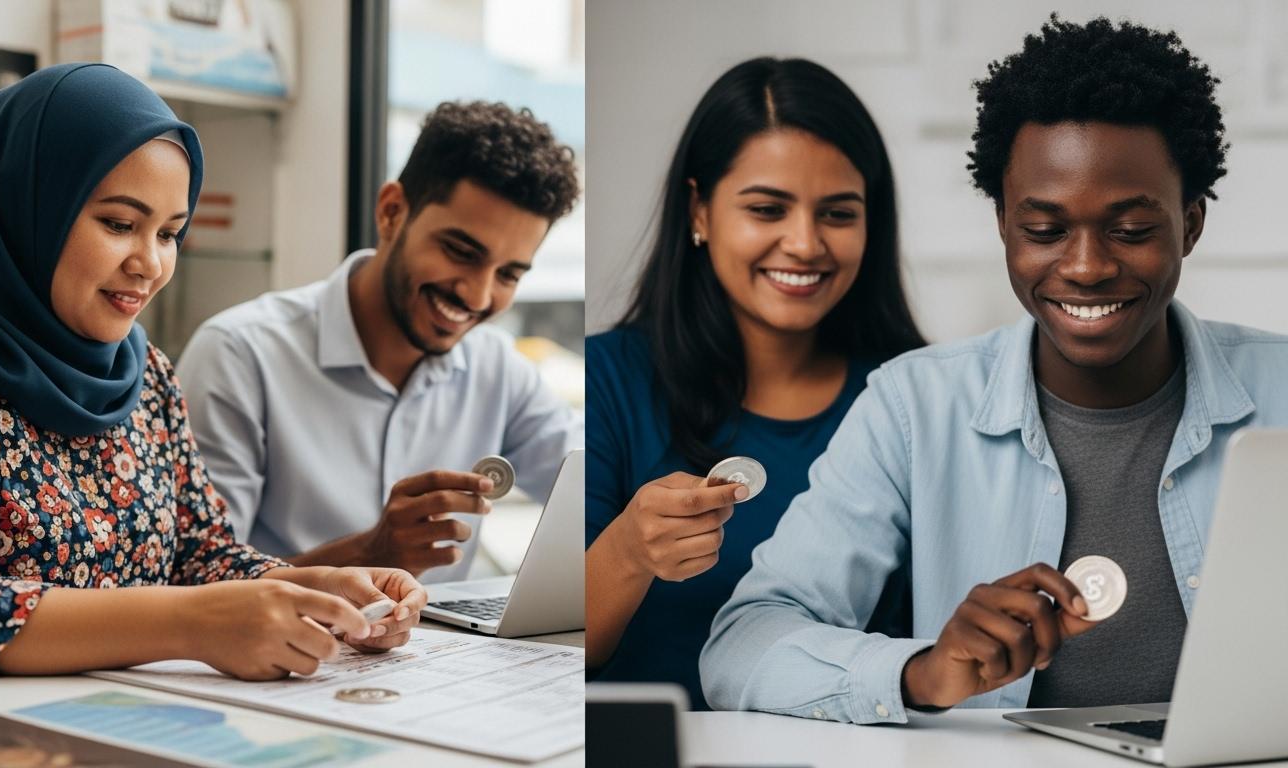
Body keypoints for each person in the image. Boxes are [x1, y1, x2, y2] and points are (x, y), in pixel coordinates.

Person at [702, 16, 1288, 722]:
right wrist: (921, 672)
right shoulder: (915, 407)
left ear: (1190, 224)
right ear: (1003, 223)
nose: (1086, 266)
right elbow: (742, 646)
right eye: (1044, 230)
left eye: (1131, 230)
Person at [0, 63, 424, 680]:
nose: (150, 264)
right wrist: (191, 624)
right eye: (119, 224)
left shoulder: (147, 374)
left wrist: (314, 592)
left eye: (170, 233)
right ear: (22, 208)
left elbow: (198, 553)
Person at [585, 57, 927, 709]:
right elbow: (554, 647)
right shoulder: (606, 378)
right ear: (700, 211)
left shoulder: (915, 396)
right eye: (767, 208)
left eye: (838, 213)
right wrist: (629, 551)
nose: (804, 243)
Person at [176, 101, 582, 582]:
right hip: (291, 654)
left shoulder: (498, 369)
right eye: (460, 252)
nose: (478, 294)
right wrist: (370, 552)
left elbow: (595, 489)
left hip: (454, 653)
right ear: (392, 212)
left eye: (509, 274)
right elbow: (196, 585)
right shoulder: (239, 356)